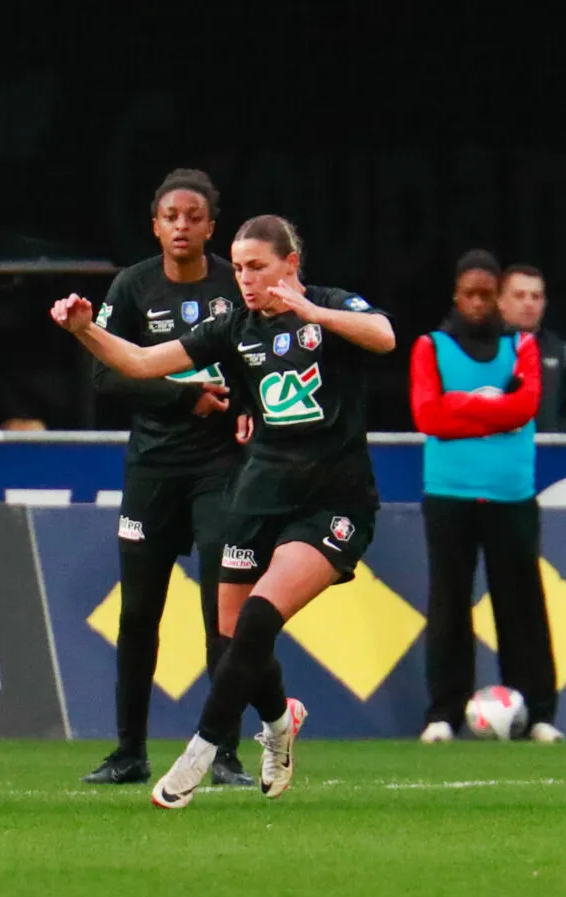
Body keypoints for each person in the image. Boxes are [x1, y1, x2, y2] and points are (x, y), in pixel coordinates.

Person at [50, 214, 396, 808]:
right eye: (238, 268)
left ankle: (199, 751)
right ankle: (280, 724)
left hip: (333, 502)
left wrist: (312, 312)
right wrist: (85, 331)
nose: (246, 279)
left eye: (258, 266)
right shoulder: (234, 328)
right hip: (260, 498)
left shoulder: (332, 308)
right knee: (230, 638)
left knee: (260, 618)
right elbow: (139, 363)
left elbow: (384, 335)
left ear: (291, 263)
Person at [79, 168, 252, 787]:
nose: (182, 226)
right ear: (155, 225)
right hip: (153, 468)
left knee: (224, 615)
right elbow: (104, 377)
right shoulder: (131, 287)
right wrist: (185, 398)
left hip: (222, 471)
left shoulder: (237, 287)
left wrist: (251, 411)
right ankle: (129, 751)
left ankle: (223, 754)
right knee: (138, 615)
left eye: (193, 217)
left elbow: (264, 360)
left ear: (211, 226)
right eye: (170, 216)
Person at [409, 250, 562, 744]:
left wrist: (463, 406)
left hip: (511, 494)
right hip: (449, 494)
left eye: (486, 294)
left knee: (523, 604)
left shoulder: (522, 346)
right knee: (449, 603)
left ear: (497, 297)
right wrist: (487, 402)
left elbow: (525, 408)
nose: (477, 303)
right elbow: (429, 418)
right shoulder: (430, 347)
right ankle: (443, 714)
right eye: (469, 293)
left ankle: (538, 712)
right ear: (457, 294)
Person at [499, 264, 565, 431]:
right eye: (519, 296)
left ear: (544, 303)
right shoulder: (480, 347)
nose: (529, 303)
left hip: (549, 453)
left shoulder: (560, 351)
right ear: (499, 301)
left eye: (536, 297)